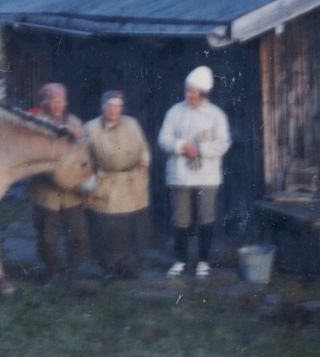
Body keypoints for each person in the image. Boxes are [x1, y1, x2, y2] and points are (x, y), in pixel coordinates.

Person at [157, 66, 232, 278]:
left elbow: (224, 143)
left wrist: (200, 149)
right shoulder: (174, 112)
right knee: (181, 219)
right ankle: (180, 260)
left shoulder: (216, 115)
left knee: (206, 217)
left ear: (203, 93)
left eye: (193, 92)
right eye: (187, 90)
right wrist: (183, 146)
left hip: (207, 176)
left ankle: (203, 261)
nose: (188, 95)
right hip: (180, 175)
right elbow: (163, 139)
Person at [83, 91, 152, 280]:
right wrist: (88, 188)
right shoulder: (91, 128)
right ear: (102, 107)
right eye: (109, 106)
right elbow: (86, 162)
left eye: (117, 106)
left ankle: (123, 265)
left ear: (122, 108)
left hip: (131, 183)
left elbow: (144, 148)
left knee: (129, 227)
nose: (113, 110)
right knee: (107, 228)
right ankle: (107, 268)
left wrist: (144, 163)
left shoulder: (131, 124)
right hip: (106, 183)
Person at [26, 83, 87, 286]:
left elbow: (85, 155)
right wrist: (61, 130)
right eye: (53, 101)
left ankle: (74, 274)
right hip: (45, 193)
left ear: (65, 102)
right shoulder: (36, 122)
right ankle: (53, 272)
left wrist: (88, 188)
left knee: (77, 236)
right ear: (45, 104)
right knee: (47, 240)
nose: (57, 105)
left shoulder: (76, 122)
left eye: (60, 101)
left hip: (72, 193)